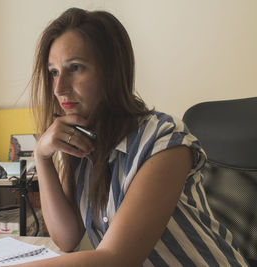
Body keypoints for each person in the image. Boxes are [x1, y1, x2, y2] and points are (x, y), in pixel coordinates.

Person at [17, 7, 248, 266]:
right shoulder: (80, 144)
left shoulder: (164, 141)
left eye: (76, 68)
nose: (59, 88)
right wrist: (42, 155)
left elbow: (117, 259)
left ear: (111, 72)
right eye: (54, 72)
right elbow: (67, 238)